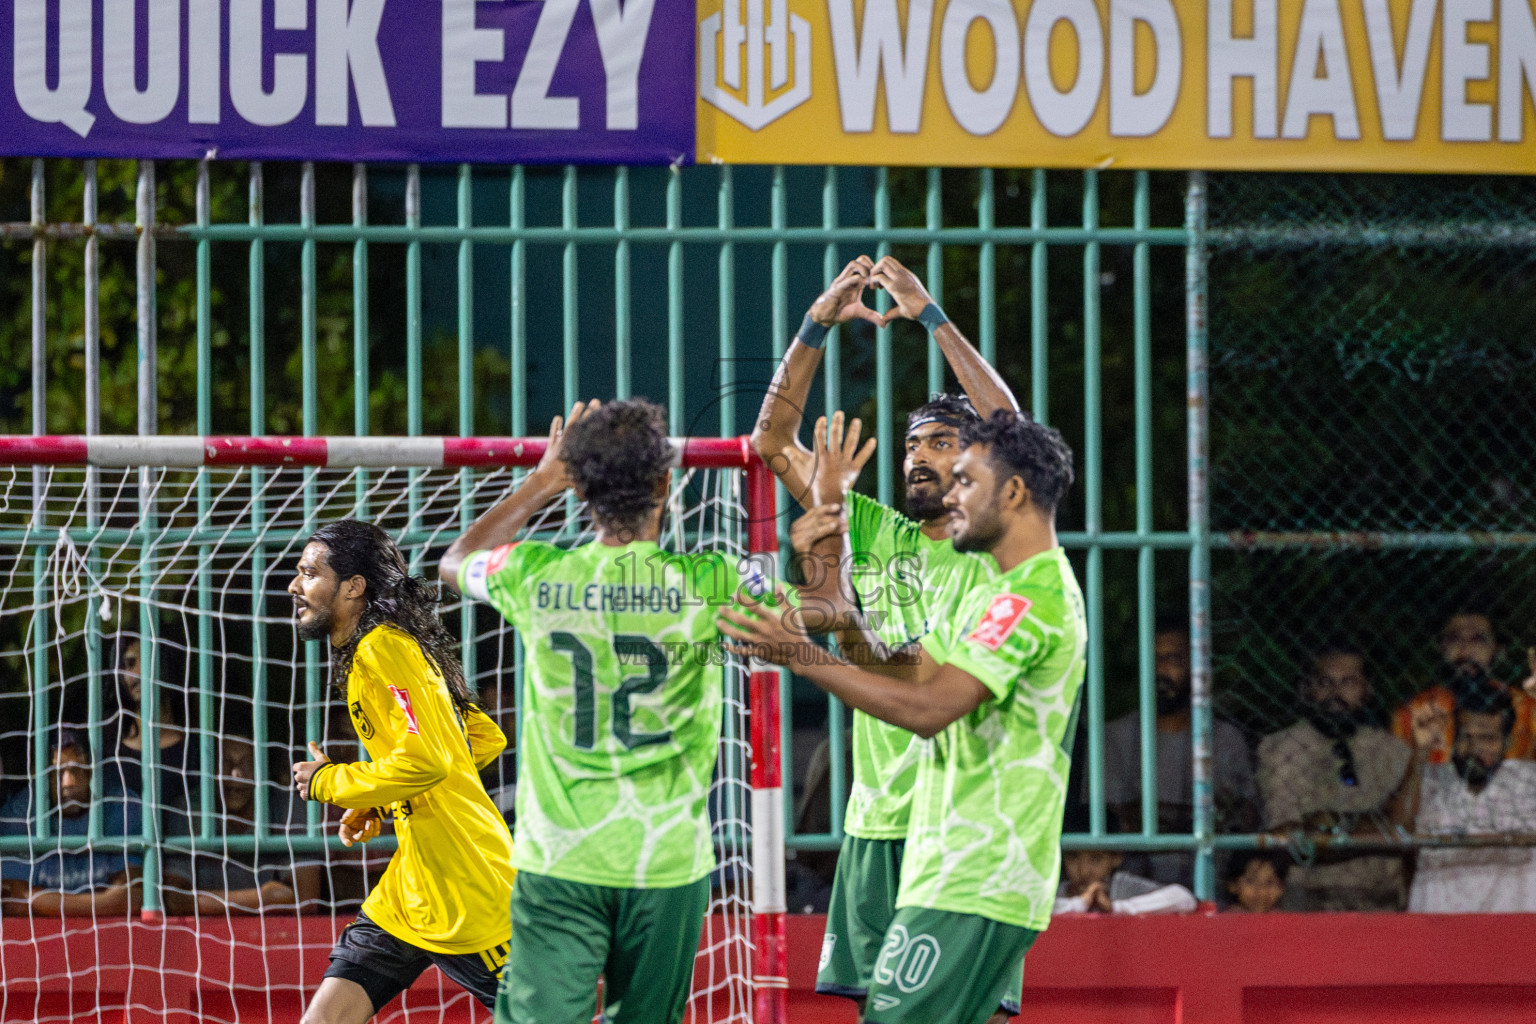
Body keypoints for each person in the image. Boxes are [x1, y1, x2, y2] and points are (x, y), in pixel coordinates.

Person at [722, 410, 1085, 1024]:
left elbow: (929, 708)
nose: (953, 495)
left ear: (1013, 492)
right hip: (944, 857)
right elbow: (908, 673)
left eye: (966, 480)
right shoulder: (1004, 592)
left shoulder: (1030, 598)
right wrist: (835, 601)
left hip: (979, 865)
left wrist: (803, 656)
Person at [439, 398, 773, 1024]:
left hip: (559, 857)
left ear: (581, 489)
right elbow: (811, 609)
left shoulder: (535, 574)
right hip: (667, 861)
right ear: (664, 484)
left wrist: (541, 481)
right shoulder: (713, 581)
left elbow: (453, 562)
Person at [752, 255, 1018, 1012]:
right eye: (913, 444)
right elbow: (772, 438)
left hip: (963, 821)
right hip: (877, 819)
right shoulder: (866, 529)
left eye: (941, 442)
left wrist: (930, 315)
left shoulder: (996, 542)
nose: (919, 456)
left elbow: (1014, 428)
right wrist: (816, 324)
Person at [287, 519, 515, 1023]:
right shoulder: (379, 650)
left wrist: (330, 781)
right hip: (410, 892)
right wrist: (381, 798)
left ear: (353, 587)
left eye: (309, 573)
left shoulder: (382, 649)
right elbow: (478, 738)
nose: (294, 585)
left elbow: (429, 760)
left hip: (468, 888)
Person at [1100, 619, 1258, 887]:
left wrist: (1154, 818)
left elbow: (1246, 819)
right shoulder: (1113, 736)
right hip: (1132, 891)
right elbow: (1113, 821)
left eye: (1173, 659)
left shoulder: (1227, 739)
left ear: (1197, 667)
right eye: (1153, 659)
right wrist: (1202, 819)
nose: (1160, 669)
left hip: (1212, 886)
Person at [1255, 641, 1410, 911]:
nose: (1335, 694)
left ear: (1367, 690)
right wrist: (1378, 830)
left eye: (1348, 682)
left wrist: (1329, 826)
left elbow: (1405, 829)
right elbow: (1291, 838)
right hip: (1306, 904)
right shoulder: (1278, 749)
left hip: (1380, 905)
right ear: (1306, 690)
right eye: (1324, 682)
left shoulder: (1394, 752)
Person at [1395, 687, 1536, 912]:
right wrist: (1420, 752)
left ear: (1507, 743)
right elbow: (1398, 830)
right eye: (1465, 737)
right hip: (1439, 923)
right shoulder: (1432, 779)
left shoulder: (1527, 781)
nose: (1473, 749)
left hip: (1512, 923)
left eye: (1487, 738)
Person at [160, 736, 323, 916]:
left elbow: (306, 901)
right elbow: (174, 900)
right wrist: (267, 897)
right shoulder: (188, 809)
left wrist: (201, 902)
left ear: (265, 768)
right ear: (209, 767)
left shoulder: (289, 806)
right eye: (225, 762)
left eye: (248, 763)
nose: (236, 773)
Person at [0, 730, 143, 918]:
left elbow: (132, 897)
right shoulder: (18, 814)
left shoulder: (122, 806)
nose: (69, 782)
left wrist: (37, 899)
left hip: (111, 932)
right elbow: (14, 902)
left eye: (77, 769)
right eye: (57, 773)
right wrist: (105, 901)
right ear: (37, 775)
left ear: (92, 769)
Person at [1392, 607, 1536, 764]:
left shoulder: (1527, 709)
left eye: (1478, 639)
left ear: (1497, 649)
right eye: (1454, 638)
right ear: (1441, 647)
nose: (1465, 648)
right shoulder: (1413, 712)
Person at [105, 634, 198, 811]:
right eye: (128, 665)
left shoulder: (197, 749)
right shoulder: (111, 755)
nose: (137, 674)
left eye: (147, 659)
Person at [1052, 850, 1196, 916]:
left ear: (1116, 858)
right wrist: (1079, 904)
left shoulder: (1122, 885)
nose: (1084, 871)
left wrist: (1116, 907)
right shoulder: (1057, 890)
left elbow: (1184, 898)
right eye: (1073, 858)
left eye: (1096, 859)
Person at [1223, 850, 1288, 913]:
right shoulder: (1227, 918)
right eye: (1251, 881)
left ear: (1281, 888)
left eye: (1269, 882)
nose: (1261, 891)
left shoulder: (1283, 918)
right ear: (1233, 885)